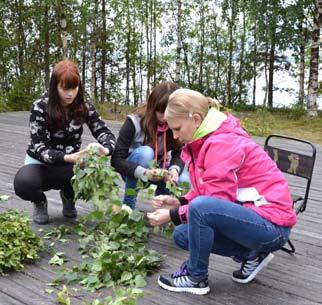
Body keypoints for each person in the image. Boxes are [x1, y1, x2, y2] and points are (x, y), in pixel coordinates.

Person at [146, 89, 296, 295]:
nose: (175, 136)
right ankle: (252, 254)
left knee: (195, 212)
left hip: (272, 227)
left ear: (196, 119)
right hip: (251, 218)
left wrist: (172, 215)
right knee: (182, 235)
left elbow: (212, 203)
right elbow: (209, 194)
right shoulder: (204, 140)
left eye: (177, 128)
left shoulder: (222, 143)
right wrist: (179, 202)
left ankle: (195, 277)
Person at [14, 59, 116, 224]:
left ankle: (68, 196)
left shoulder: (84, 106)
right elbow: (41, 149)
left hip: (69, 166)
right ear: (55, 86)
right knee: (24, 183)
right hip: (40, 164)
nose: (70, 94)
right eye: (65, 88)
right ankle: (39, 201)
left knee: (90, 171)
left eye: (74, 88)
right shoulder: (40, 107)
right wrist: (69, 157)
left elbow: (104, 131)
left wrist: (105, 149)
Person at [111, 82, 189, 209]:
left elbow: (179, 153)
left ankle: (162, 209)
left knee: (185, 179)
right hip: (134, 171)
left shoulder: (175, 124)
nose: (165, 117)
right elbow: (116, 160)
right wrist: (145, 173)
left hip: (161, 171)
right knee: (145, 153)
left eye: (170, 113)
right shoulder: (134, 122)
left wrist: (174, 169)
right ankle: (128, 207)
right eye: (161, 112)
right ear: (153, 107)